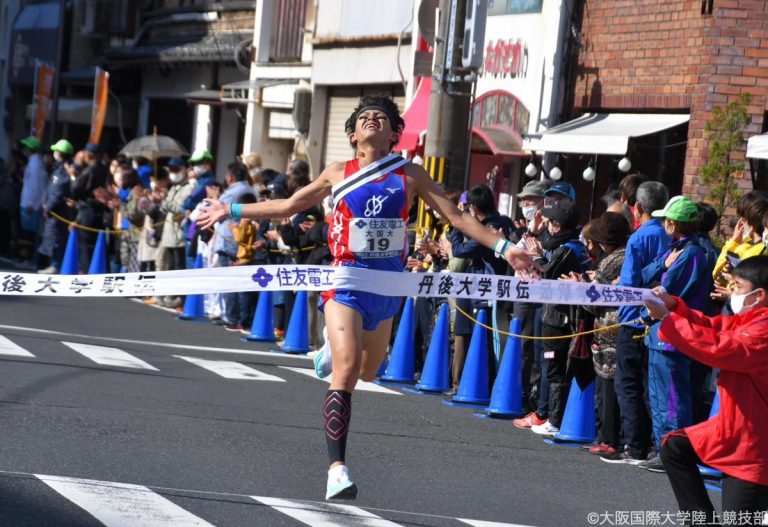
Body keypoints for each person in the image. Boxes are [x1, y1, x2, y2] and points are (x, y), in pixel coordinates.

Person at [197, 94, 536, 500]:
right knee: (346, 369)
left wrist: (505, 248)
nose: (372, 120)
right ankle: (336, 468)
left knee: (369, 371)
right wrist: (231, 211)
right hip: (346, 281)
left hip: (388, 287)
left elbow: (458, 217)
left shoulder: (410, 173)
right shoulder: (337, 171)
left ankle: (334, 349)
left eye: (382, 117)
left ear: (395, 133)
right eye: (365, 117)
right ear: (353, 133)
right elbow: (289, 205)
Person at [644, 255, 768, 524]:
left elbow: (718, 347)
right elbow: (712, 327)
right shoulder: (750, 322)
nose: (731, 291)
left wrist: (667, 319)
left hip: (755, 444)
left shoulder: (762, 332)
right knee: (675, 447)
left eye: (737, 286)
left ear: (759, 295)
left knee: (741, 518)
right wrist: (673, 306)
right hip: (735, 427)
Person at [639, 196, 711, 472]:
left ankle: (673, 453)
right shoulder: (680, 250)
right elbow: (646, 275)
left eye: (667, 220)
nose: (664, 225)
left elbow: (666, 292)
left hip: (673, 336)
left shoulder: (692, 253)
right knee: (662, 397)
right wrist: (663, 266)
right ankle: (664, 450)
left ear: (674, 224)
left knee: (672, 399)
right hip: (663, 335)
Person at [602, 181, 670, 465]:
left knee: (627, 383)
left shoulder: (639, 238)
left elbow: (629, 283)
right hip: (663, 317)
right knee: (650, 384)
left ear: (637, 207)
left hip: (633, 318)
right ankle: (653, 444)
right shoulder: (670, 235)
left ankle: (634, 445)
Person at [38, 139, 76, 274]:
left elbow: (58, 192)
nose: (54, 153)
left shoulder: (64, 171)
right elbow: (50, 188)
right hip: (51, 210)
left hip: (58, 212)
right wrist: (45, 203)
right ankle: (51, 264)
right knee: (50, 237)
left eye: (56, 151)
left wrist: (48, 207)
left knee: (56, 239)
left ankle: (56, 265)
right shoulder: (57, 168)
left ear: (60, 153)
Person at [18, 135, 49, 263]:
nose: (23, 149)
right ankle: (27, 258)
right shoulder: (34, 162)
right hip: (29, 204)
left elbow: (36, 186)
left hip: (30, 205)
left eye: (25, 147)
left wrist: (31, 203)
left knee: (28, 234)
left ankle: (28, 259)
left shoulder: (35, 164)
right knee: (28, 233)